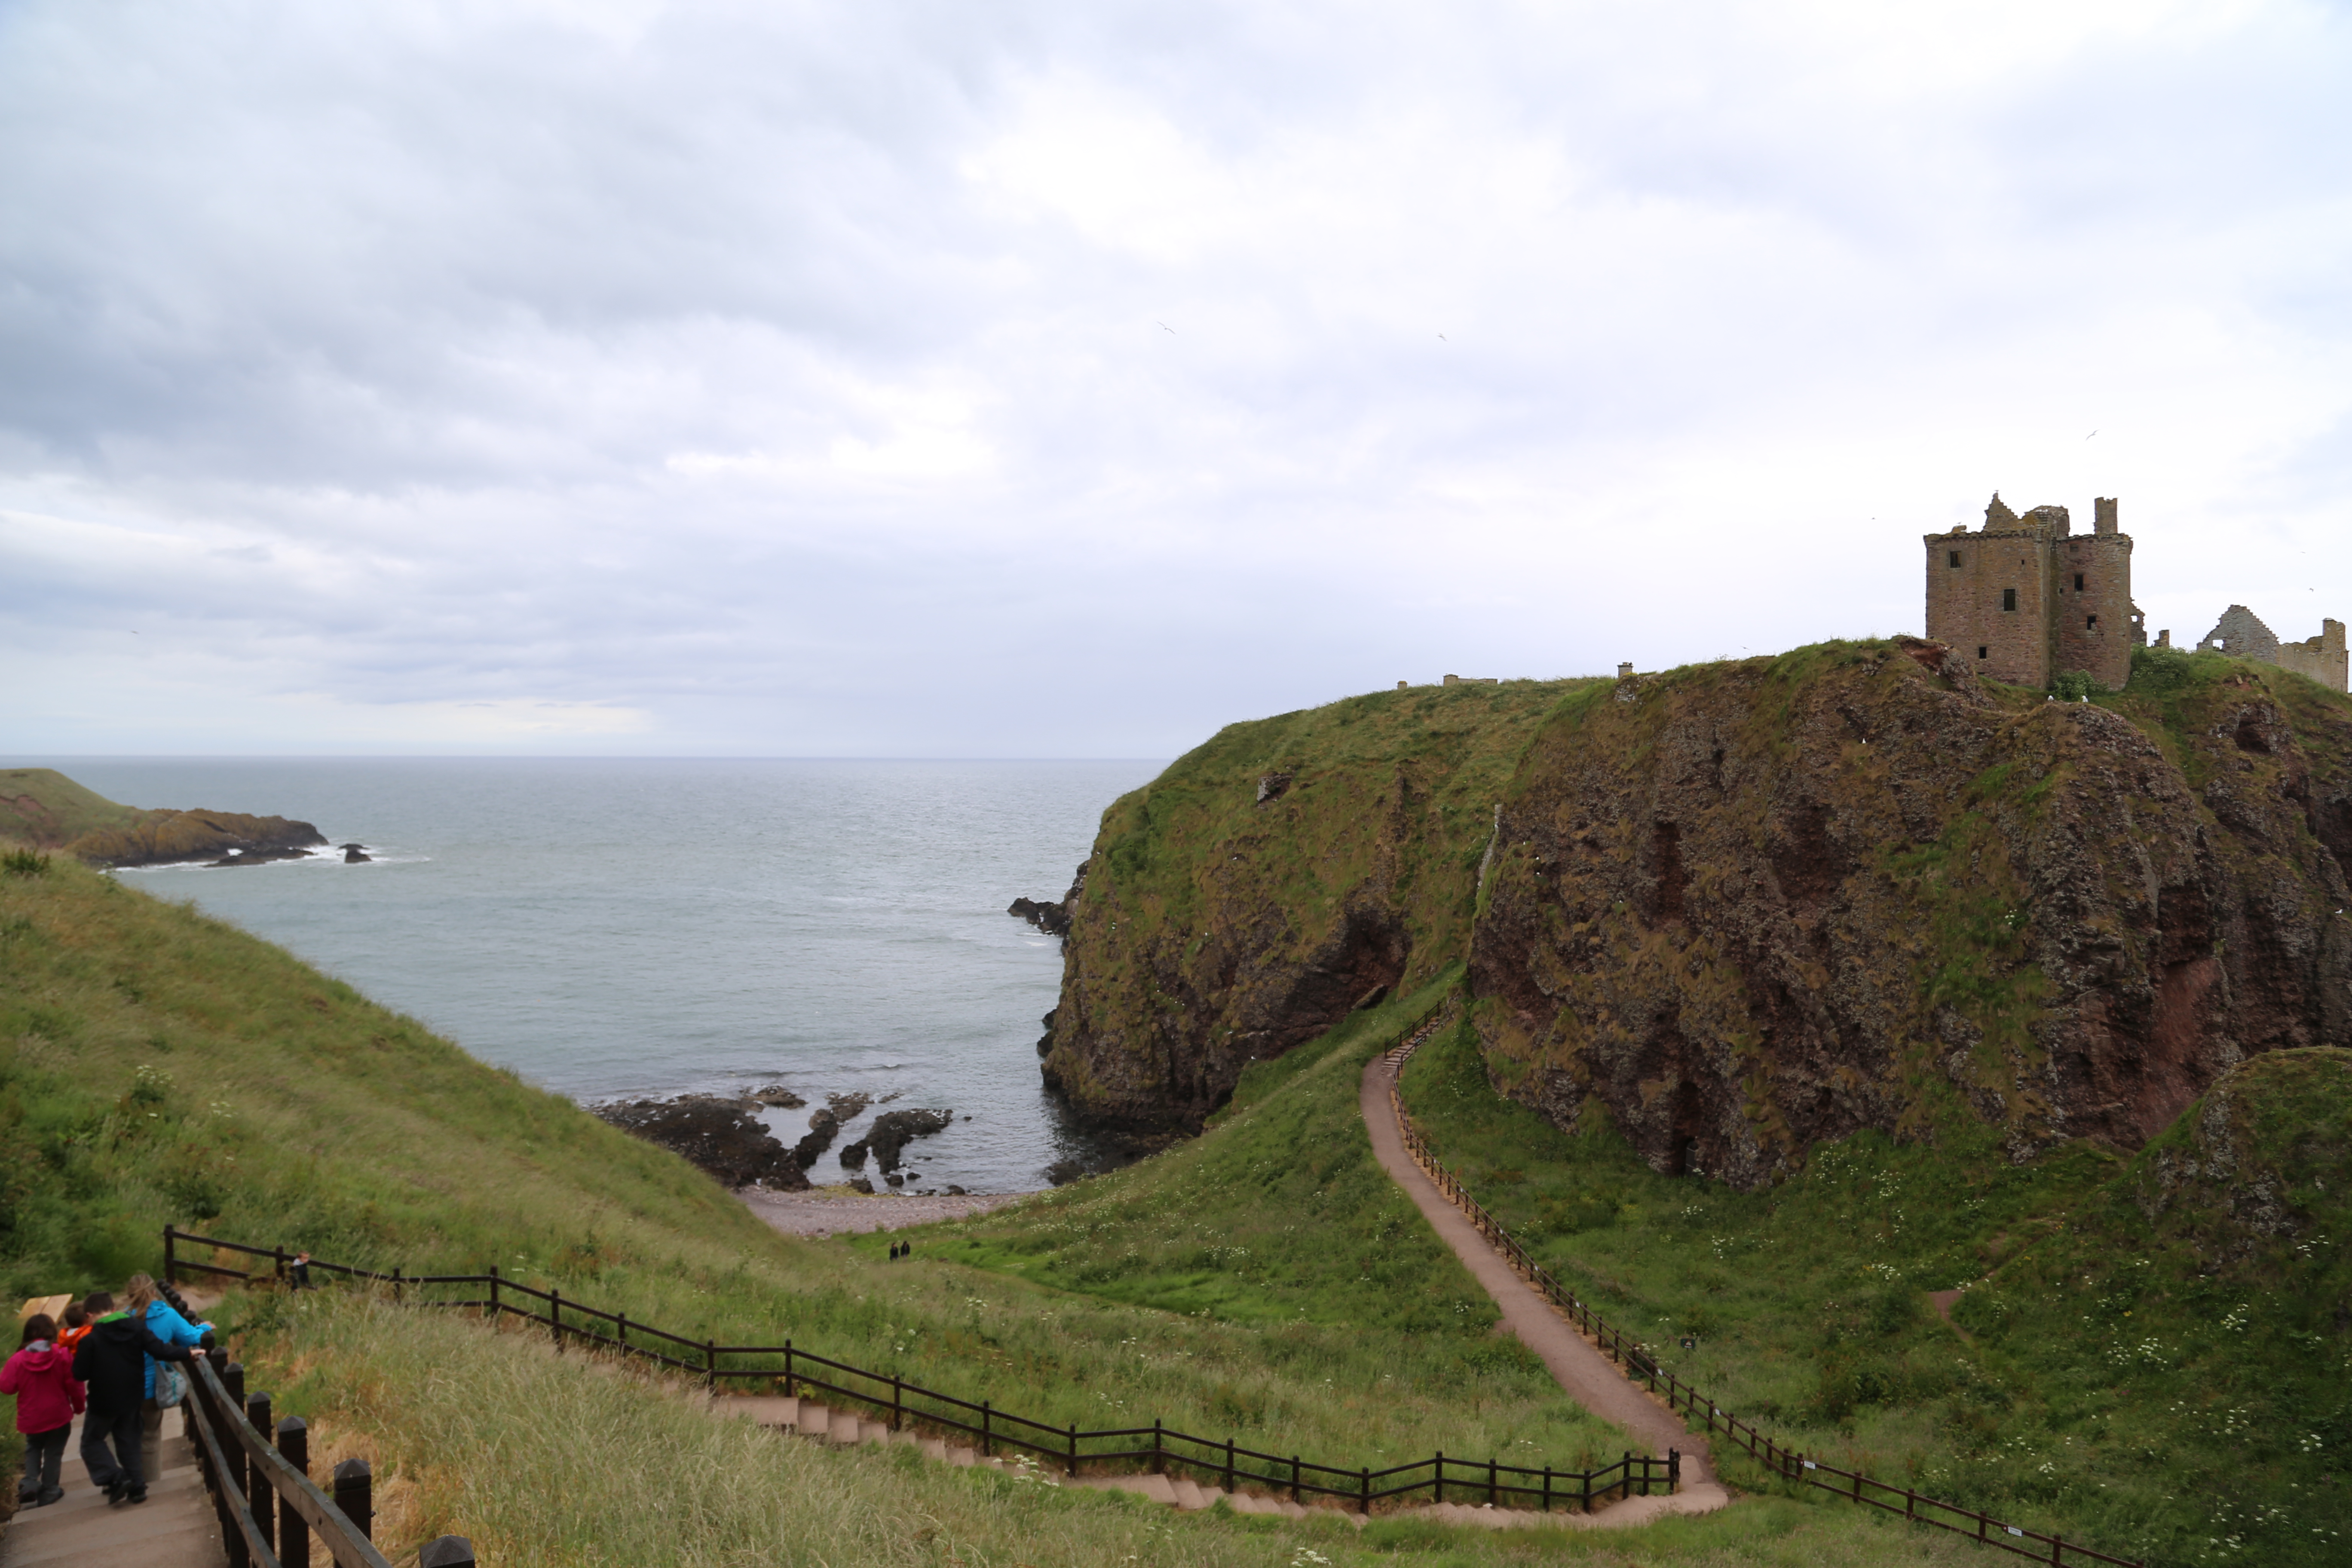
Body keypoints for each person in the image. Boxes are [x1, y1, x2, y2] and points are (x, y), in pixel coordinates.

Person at [70, 1291, 202, 1506]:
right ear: (113, 1309)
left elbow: (79, 1374)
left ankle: (116, 1478)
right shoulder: (137, 1328)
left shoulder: (90, 1340)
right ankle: (138, 1487)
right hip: (133, 1395)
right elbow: (160, 1350)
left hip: (104, 1400)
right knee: (129, 1441)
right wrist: (188, 1354)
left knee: (91, 1442)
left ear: (89, 1315)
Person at [123, 1274, 213, 1485]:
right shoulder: (168, 1316)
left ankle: (127, 1478)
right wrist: (205, 1327)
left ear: (129, 1296)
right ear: (154, 1293)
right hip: (154, 1387)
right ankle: (149, 1483)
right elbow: (190, 1338)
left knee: (127, 1435)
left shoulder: (123, 1320)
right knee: (150, 1436)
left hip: (126, 1388)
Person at [2, 1313, 84, 1508]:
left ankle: (30, 1482)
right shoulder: (62, 1354)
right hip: (58, 1415)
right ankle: (49, 1491)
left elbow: (7, 1387)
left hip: (31, 1417)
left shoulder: (18, 1359)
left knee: (33, 1448)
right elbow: (74, 1384)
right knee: (53, 1453)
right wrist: (79, 1406)